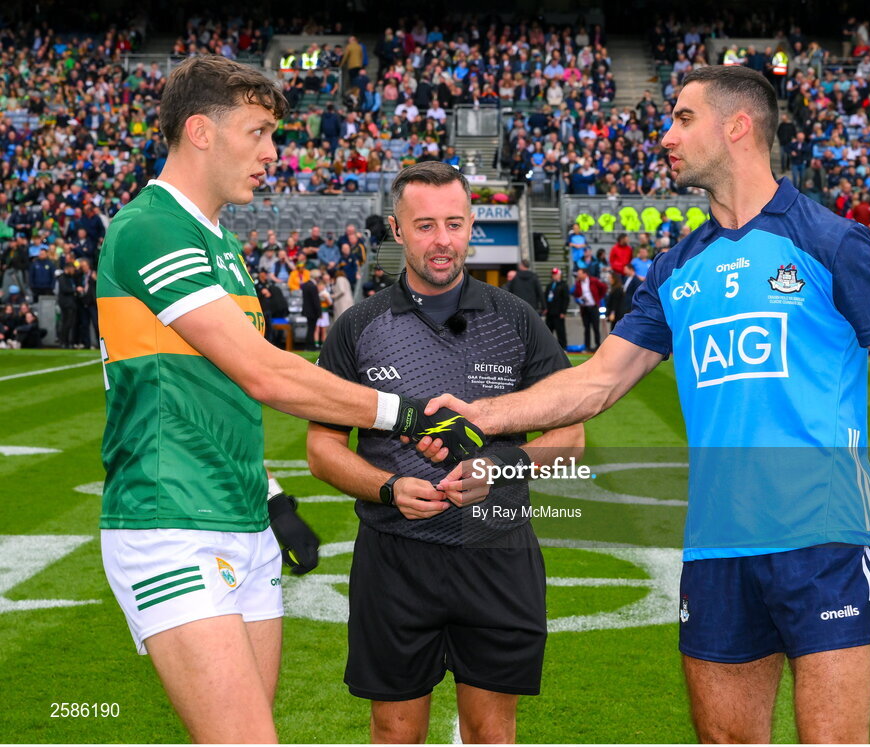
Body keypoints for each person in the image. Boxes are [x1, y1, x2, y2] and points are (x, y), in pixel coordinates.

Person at [422, 66, 870, 743]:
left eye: (682, 118)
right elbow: (598, 379)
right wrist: (486, 412)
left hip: (823, 536)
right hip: (717, 544)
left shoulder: (829, 242)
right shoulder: (676, 267)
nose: (666, 135)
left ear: (737, 126)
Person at [95, 56, 484, 744]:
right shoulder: (151, 227)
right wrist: (409, 411)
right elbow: (264, 373)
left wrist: (270, 493)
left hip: (240, 518)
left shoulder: (219, 241)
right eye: (260, 132)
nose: (274, 153)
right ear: (201, 131)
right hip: (170, 522)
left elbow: (215, 395)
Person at [306, 162, 582, 743]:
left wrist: (499, 468)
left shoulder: (517, 321)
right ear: (397, 230)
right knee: (395, 731)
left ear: (472, 226)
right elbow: (322, 448)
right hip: (395, 555)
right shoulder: (358, 327)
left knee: (491, 732)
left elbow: (570, 439)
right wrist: (386, 488)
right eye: (425, 225)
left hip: (497, 551)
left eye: (454, 224)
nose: (442, 240)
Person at [572, 266, 606, 352]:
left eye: (580, 274)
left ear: (585, 274)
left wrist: (598, 298)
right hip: (585, 308)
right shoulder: (578, 283)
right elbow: (575, 294)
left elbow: (603, 288)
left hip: (593, 307)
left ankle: (598, 345)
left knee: (595, 327)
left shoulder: (593, 280)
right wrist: (579, 300)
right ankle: (587, 346)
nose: (578, 276)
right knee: (586, 328)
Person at [543, 267, 570, 349]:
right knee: (548, 331)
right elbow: (545, 298)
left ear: (560, 275)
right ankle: (548, 347)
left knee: (560, 331)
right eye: (553, 274)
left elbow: (566, 299)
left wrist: (563, 312)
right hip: (550, 312)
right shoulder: (550, 286)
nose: (554, 276)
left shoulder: (563, 286)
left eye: (556, 274)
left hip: (558, 312)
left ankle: (563, 347)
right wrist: (545, 308)